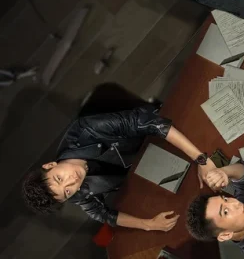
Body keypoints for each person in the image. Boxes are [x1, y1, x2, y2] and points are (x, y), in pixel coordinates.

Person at [21, 84, 217, 232]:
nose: (72, 181)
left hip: (160, 135)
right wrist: (148, 224)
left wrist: (201, 159)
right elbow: (102, 214)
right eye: (67, 191)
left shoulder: (85, 130)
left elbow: (151, 124)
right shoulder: (74, 192)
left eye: (59, 178)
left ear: (50, 165)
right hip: (149, 167)